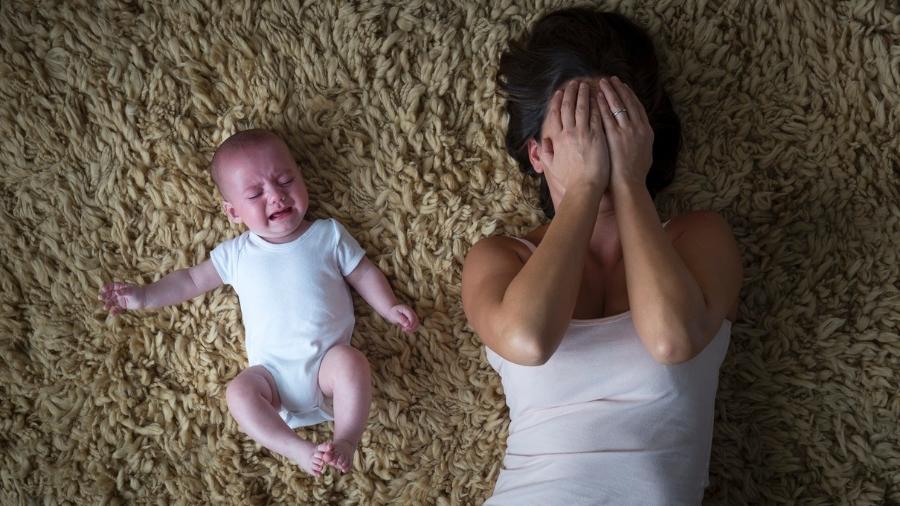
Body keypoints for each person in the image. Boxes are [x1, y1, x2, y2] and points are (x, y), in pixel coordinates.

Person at [461, 8, 742, 505]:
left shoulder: (699, 238)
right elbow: (528, 339)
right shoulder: (499, 258)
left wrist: (629, 182)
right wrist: (585, 187)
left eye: (613, 122)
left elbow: (673, 338)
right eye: (577, 129)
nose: (599, 143)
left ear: (644, 136)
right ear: (537, 154)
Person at [100, 129, 419, 477]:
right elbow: (191, 279)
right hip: (272, 381)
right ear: (234, 212)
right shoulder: (237, 253)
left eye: (285, 180)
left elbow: (362, 273)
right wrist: (145, 296)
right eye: (255, 193)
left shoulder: (326, 235)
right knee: (238, 392)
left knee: (352, 363)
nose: (276, 196)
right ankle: (294, 448)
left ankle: (345, 440)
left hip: (327, 369)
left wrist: (388, 307)